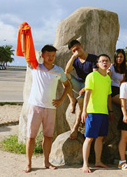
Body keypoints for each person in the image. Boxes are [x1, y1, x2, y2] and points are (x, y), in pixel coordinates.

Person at [23, 45, 71, 173]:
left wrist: (61, 100)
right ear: (42, 55)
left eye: (53, 55)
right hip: (36, 106)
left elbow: (67, 85)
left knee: (48, 136)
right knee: (31, 136)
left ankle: (46, 162)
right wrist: (23, 33)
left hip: (50, 108)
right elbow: (25, 51)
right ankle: (28, 163)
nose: (51, 58)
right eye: (48, 55)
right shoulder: (36, 67)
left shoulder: (59, 70)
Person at [81, 54, 113, 173]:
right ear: (98, 63)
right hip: (92, 112)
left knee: (100, 138)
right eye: (102, 61)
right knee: (89, 138)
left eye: (107, 61)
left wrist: (110, 111)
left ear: (110, 64)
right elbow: (87, 94)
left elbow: (108, 96)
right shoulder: (92, 76)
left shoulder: (108, 78)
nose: (105, 63)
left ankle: (98, 161)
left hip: (104, 112)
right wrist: (84, 111)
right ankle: (85, 164)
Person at [65, 39, 98, 139]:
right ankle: (71, 100)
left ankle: (75, 127)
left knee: (81, 101)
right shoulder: (75, 60)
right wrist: (73, 57)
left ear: (82, 46)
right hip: (79, 84)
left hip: (89, 86)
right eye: (73, 50)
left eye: (77, 48)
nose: (76, 51)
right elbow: (67, 71)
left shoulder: (93, 58)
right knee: (64, 76)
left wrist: (86, 88)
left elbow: (95, 76)